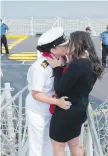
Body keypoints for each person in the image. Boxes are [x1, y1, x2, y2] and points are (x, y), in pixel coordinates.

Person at [48, 31, 103, 156]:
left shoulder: (77, 64)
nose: (68, 46)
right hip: (80, 108)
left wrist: (57, 68)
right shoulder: (90, 63)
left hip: (66, 111)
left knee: (58, 145)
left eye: (70, 43)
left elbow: (60, 88)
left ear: (77, 44)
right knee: (75, 144)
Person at [25, 27, 71, 156]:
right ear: (53, 50)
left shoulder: (61, 59)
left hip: (52, 106)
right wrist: (57, 102)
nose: (67, 47)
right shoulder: (41, 67)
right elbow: (36, 94)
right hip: (38, 109)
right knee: (38, 143)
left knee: (51, 141)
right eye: (64, 45)